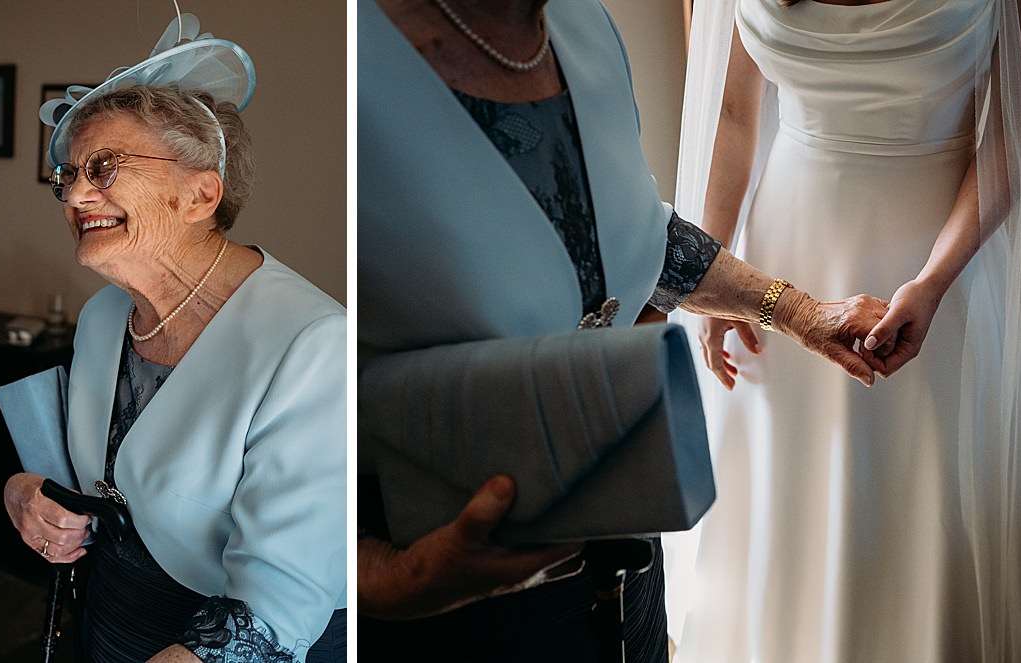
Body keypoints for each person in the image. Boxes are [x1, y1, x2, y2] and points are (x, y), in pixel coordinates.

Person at [356, 0, 893, 659]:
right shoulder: (355, 60)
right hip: (452, 596)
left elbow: (636, 228)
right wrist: (384, 578)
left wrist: (802, 313)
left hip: (623, 546)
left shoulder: (581, 22)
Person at [668, 0, 1021, 660]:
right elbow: (736, 115)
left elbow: (1018, 127)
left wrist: (934, 281)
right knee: (784, 477)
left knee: (910, 488)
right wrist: (712, 278)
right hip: (782, 245)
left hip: (934, 257)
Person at [2, 21, 347, 661]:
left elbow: (278, 605)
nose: (76, 193)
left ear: (200, 194)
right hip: (107, 618)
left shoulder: (316, 346)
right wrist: (26, 493)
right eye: (68, 173)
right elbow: (100, 481)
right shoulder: (105, 315)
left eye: (104, 168)